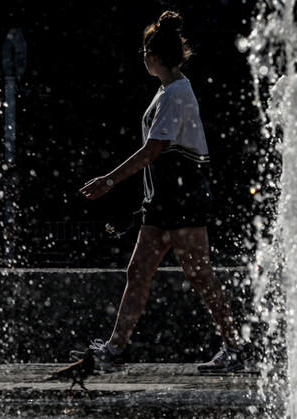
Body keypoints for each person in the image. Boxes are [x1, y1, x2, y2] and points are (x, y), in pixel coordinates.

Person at [77, 11, 254, 373]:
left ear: (154, 56)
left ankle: (235, 347)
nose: (143, 57)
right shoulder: (166, 91)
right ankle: (115, 348)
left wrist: (108, 181)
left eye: (145, 51)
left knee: (200, 275)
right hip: (163, 199)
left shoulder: (176, 93)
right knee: (138, 271)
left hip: (182, 197)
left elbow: (153, 150)